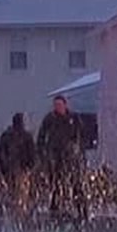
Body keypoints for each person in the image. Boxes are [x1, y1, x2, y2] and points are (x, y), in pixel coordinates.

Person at [38, 94, 88, 223]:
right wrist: (44, 152)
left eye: (60, 105)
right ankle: (54, 211)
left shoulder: (73, 118)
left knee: (76, 184)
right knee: (56, 184)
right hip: (56, 156)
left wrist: (79, 149)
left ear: (65, 105)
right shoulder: (50, 118)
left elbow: (82, 135)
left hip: (71, 157)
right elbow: (41, 136)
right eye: (56, 105)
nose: (58, 108)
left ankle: (82, 211)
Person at [0, 113, 37, 222]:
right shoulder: (25, 136)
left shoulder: (7, 135)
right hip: (19, 169)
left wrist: (4, 167)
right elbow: (32, 153)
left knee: (14, 193)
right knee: (20, 193)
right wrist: (30, 166)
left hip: (13, 169)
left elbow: (1, 153)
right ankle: (19, 215)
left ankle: (16, 215)